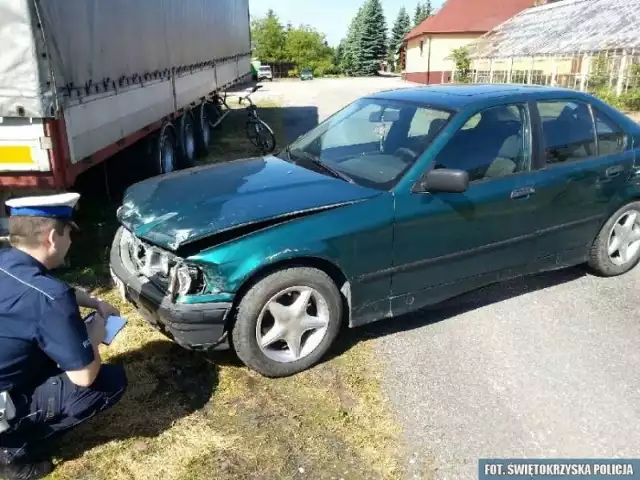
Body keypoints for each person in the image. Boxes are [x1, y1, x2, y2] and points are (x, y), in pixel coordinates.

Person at [0, 193, 128, 480]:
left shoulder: (7, 261)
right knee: (109, 382)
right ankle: (12, 452)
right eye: (69, 233)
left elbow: (51, 287)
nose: (71, 242)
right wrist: (94, 333)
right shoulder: (50, 300)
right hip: (2, 407)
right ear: (52, 237)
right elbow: (85, 377)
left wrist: (94, 303)